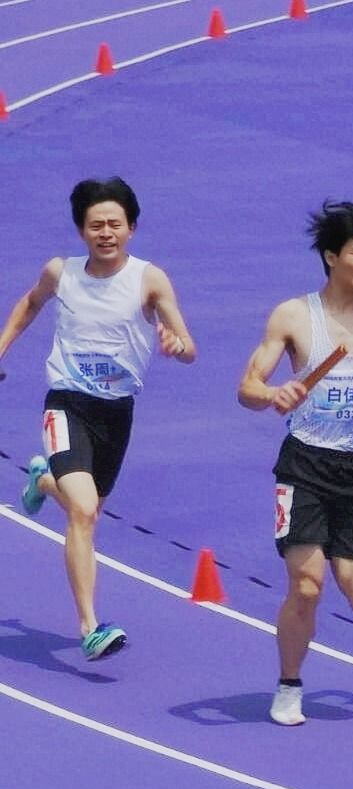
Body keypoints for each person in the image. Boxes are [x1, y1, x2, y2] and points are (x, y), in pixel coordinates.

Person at [237, 201, 353, 726]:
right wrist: (272, 394)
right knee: (306, 586)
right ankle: (289, 683)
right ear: (330, 256)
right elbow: (247, 386)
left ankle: (340, 554)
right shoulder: (294, 316)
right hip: (305, 466)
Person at [0, 176, 198, 659]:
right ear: (81, 230)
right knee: (84, 512)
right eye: (95, 225)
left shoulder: (150, 279)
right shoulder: (61, 272)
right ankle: (90, 626)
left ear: (131, 228)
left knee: (87, 509)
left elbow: (188, 346)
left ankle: (44, 480)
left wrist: (176, 345)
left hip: (116, 413)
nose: (105, 233)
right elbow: (30, 303)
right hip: (67, 404)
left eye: (114, 224)